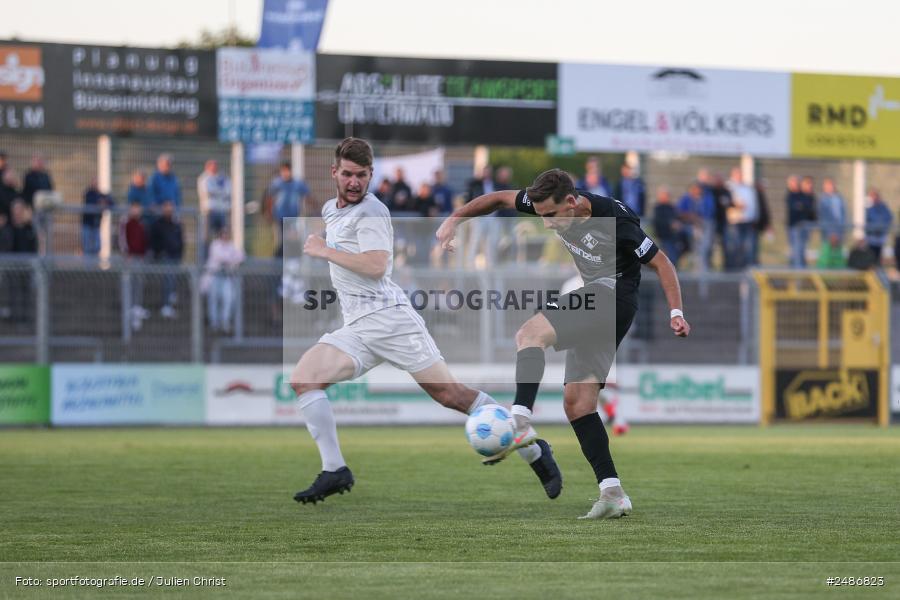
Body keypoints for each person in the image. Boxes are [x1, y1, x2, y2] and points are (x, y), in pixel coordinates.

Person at [291, 138, 561, 505]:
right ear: (334, 172)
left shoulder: (371, 211)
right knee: (305, 379)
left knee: (451, 395)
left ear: (371, 176)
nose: (355, 182)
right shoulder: (330, 209)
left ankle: (534, 449)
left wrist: (324, 249)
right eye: (349, 174)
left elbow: (374, 267)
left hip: (390, 321)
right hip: (357, 326)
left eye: (363, 175)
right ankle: (335, 469)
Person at [436, 168, 691, 519]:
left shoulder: (614, 219)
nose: (548, 224)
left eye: (552, 216)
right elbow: (498, 198)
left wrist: (676, 311)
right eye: (541, 217)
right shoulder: (549, 201)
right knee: (578, 404)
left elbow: (662, 264)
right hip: (602, 302)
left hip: (612, 297)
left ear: (571, 202)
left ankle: (520, 422)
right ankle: (612, 493)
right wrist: (454, 220)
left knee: (529, 334)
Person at [202, 227, 244, 334]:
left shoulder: (231, 246)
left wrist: (232, 259)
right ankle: (214, 322)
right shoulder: (215, 245)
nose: (225, 236)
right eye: (224, 234)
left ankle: (225, 322)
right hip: (214, 276)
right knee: (213, 299)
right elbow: (221, 257)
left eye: (227, 234)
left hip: (226, 277)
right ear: (220, 235)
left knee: (228, 299)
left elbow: (241, 256)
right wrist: (232, 259)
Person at [266, 161, 311, 255]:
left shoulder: (297, 184)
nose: (285, 173)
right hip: (281, 216)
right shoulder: (276, 183)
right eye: (283, 171)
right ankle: (279, 258)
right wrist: (269, 213)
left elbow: (307, 196)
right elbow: (269, 199)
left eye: (287, 171)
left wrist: (313, 209)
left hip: (293, 216)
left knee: (291, 237)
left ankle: (284, 257)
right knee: (284, 238)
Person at [150, 200, 184, 318]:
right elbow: (154, 241)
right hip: (165, 257)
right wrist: (160, 252)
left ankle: (170, 300)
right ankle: (166, 305)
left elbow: (180, 240)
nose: (169, 210)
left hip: (175, 256)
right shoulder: (158, 224)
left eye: (171, 207)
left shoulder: (176, 224)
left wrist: (180, 253)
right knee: (168, 279)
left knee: (173, 280)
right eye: (167, 207)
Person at [120, 202, 149, 330]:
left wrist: (144, 254)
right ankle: (129, 308)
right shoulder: (125, 222)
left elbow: (145, 240)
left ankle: (137, 307)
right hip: (130, 258)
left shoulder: (142, 223)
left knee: (139, 282)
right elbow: (122, 239)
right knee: (129, 283)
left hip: (140, 258)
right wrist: (127, 253)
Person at [786, 175, 816, 268]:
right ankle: (797, 273)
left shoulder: (806, 196)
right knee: (797, 251)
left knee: (801, 251)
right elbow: (797, 207)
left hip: (804, 227)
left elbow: (808, 209)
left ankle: (800, 271)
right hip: (795, 227)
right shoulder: (791, 195)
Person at [197, 159, 232, 237]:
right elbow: (208, 192)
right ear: (207, 167)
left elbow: (229, 191)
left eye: (215, 166)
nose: (214, 168)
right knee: (206, 236)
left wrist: (217, 192)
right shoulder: (204, 178)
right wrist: (221, 192)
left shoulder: (223, 178)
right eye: (212, 166)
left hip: (222, 211)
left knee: (223, 235)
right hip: (209, 212)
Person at [82, 177, 114, 257]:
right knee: (87, 248)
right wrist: (100, 202)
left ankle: (95, 268)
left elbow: (112, 202)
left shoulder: (100, 194)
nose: (95, 185)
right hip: (87, 224)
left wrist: (104, 202)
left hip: (96, 225)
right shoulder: (88, 193)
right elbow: (91, 201)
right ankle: (88, 268)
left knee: (97, 247)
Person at [653, 186, 683, 265]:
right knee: (671, 257)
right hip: (663, 236)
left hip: (673, 236)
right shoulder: (658, 208)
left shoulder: (671, 207)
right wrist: (670, 224)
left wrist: (677, 224)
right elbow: (658, 222)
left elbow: (677, 218)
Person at [864, 188, 892, 264]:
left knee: (878, 256)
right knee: (870, 257)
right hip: (870, 237)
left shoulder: (883, 207)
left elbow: (888, 218)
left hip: (880, 237)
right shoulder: (868, 208)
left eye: (875, 196)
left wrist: (883, 229)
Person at [818, 178, 847, 243]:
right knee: (827, 248)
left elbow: (843, 214)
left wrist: (842, 228)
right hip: (827, 230)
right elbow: (822, 216)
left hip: (839, 229)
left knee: (837, 249)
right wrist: (829, 231)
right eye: (827, 185)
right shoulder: (822, 199)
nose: (830, 187)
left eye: (831, 185)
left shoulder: (839, 198)